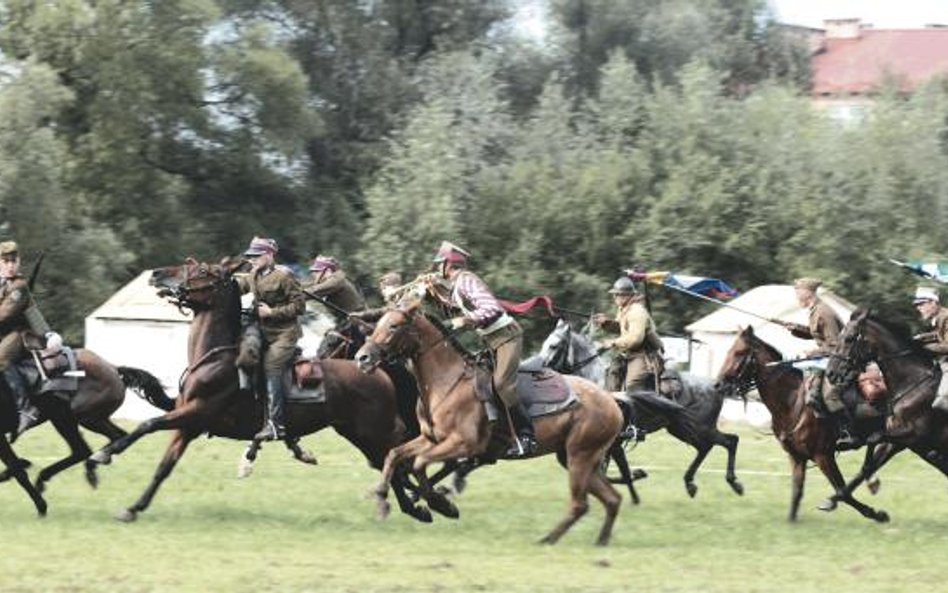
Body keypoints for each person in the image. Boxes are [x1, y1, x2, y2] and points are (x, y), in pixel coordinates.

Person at [429, 241, 536, 457]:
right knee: (478, 382)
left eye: (439, 264)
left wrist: (466, 319)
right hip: (491, 341)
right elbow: (453, 306)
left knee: (502, 384)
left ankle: (527, 436)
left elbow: (491, 309)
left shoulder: (467, 280)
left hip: (507, 337)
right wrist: (433, 292)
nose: (436, 269)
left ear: (448, 264)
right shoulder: (457, 284)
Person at [235, 237, 306, 441]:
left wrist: (272, 312)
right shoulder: (253, 274)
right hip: (263, 331)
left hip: (285, 333)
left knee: (271, 367)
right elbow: (239, 287)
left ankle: (276, 425)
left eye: (256, 256)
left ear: (268, 255)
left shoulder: (284, 276)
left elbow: (300, 307)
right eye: (250, 257)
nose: (252, 260)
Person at [780, 277, 855, 445]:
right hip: (824, 358)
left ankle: (848, 431)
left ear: (808, 293)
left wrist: (813, 351)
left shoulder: (824, 312)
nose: (797, 295)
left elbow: (835, 345)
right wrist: (796, 329)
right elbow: (817, 333)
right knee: (808, 392)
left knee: (829, 396)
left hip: (837, 360)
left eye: (798, 292)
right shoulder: (815, 310)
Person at [592, 276, 665, 393]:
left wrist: (613, 342)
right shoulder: (623, 309)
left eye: (617, 294)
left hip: (644, 355)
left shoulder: (637, 311)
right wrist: (606, 323)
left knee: (633, 386)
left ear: (626, 296)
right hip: (628, 353)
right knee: (611, 376)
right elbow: (622, 328)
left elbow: (635, 339)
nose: (614, 297)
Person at [911, 286, 948, 413]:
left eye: (922, 304)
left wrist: (923, 348)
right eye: (917, 305)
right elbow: (939, 334)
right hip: (943, 363)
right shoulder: (940, 317)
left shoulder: (946, 317)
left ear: (933, 302)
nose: (918, 308)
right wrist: (920, 338)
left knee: (941, 400)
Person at [305, 255, 366, 321]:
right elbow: (310, 287)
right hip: (350, 321)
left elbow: (314, 291)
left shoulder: (336, 281)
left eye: (317, 271)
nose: (313, 274)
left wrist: (296, 295)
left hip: (359, 322)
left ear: (328, 270)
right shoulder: (334, 279)